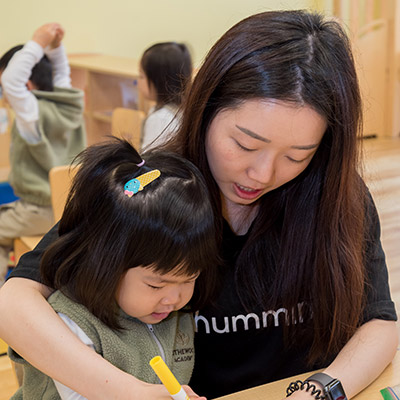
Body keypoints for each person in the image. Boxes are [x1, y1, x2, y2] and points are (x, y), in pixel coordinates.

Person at [0, 9, 398, 400]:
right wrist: (127, 391)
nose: (261, 174)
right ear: (206, 108)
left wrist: (320, 391)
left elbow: (379, 322)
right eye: (245, 144)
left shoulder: (333, 197)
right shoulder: (156, 192)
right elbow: (14, 303)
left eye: (297, 156)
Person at [9, 137, 218, 399]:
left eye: (190, 279)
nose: (174, 298)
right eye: (156, 284)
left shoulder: (170, 311)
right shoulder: (73, 324)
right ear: (106, 264)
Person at [0, 23, 86, 284]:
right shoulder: (69, 105)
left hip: (39, 211)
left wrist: (38, 41)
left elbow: (12, 81)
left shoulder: (33, 114)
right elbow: (61, 75)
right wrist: (56, 48)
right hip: (68, 207)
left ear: (26, 85)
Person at [138, 42, 192, 150]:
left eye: (141, 76)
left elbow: (149, 160)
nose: (138, 81)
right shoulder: (183, 108)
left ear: (159, 81)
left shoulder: (160, 119)